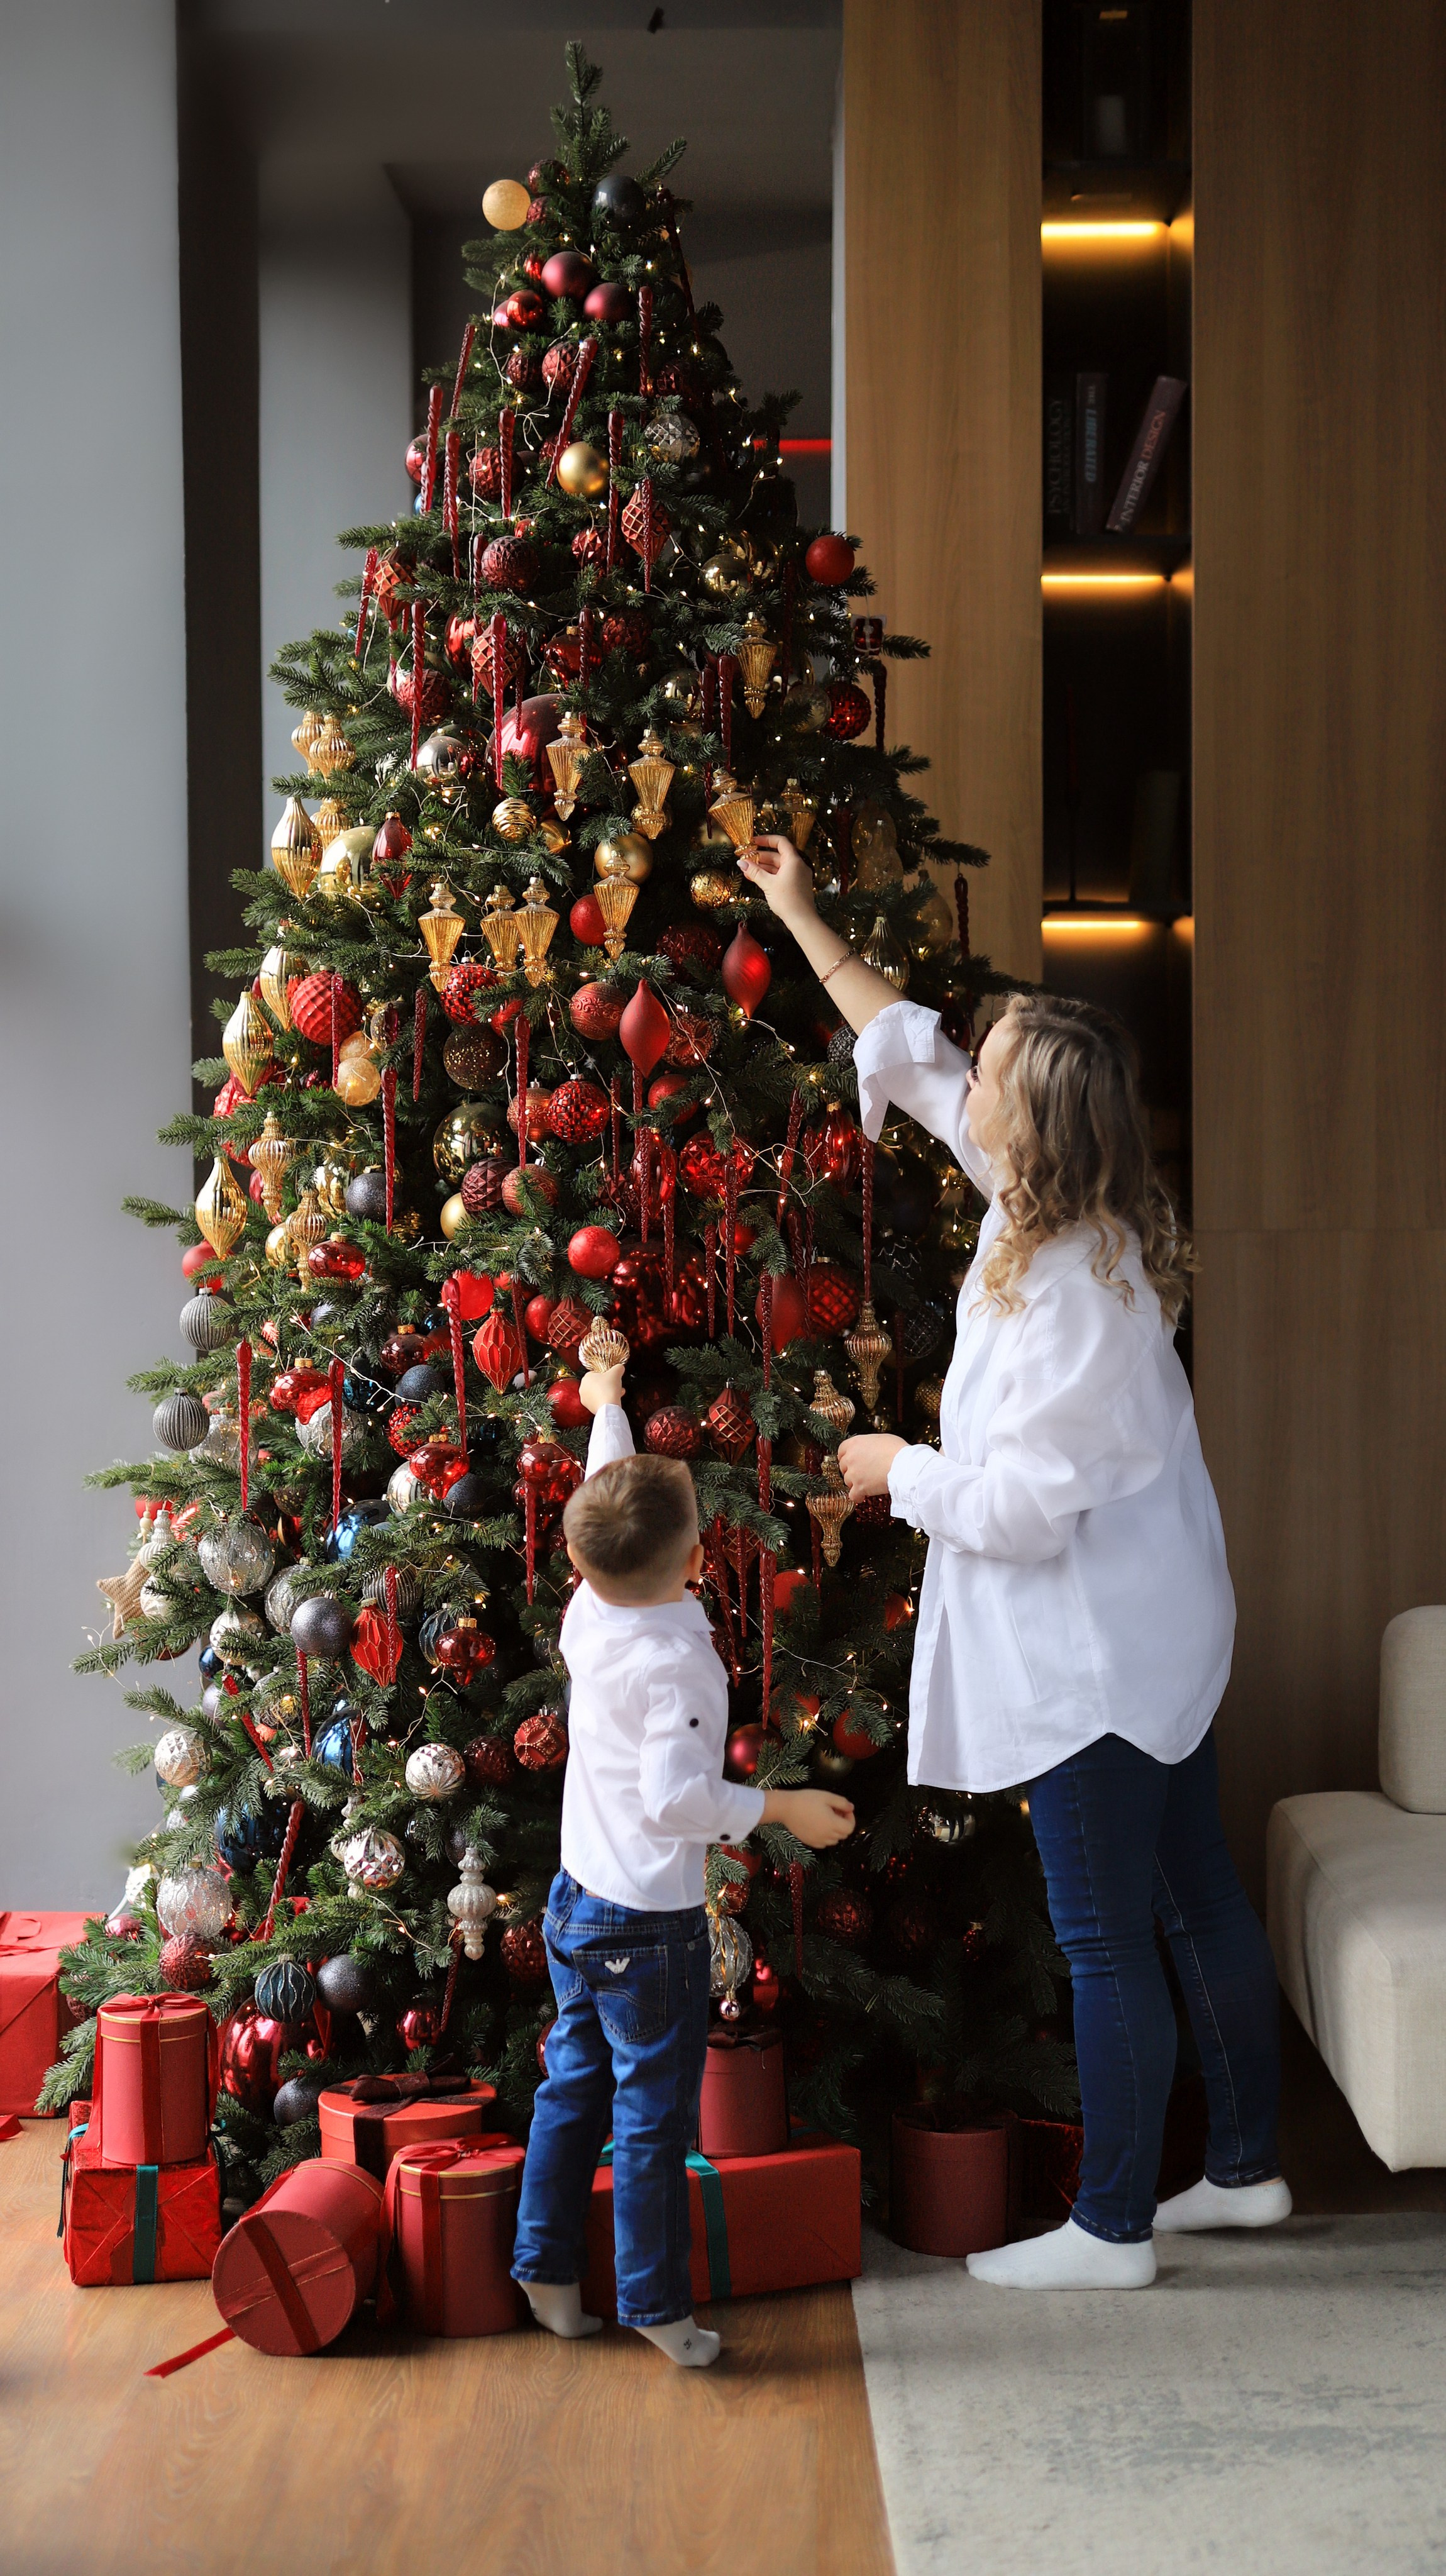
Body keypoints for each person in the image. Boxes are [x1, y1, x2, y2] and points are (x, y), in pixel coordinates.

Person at [737, 831, 1291, 2290]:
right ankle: (1243, 2173)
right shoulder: (1040, 1201)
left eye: (991, 1074)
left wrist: (891, 1469)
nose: (963, 1078)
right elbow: (904, 1047)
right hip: (1153, 1633)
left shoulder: (1081, 1307)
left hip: (1103, 1652)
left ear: (1032, 1129)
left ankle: (1112, 2226)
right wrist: (798, 904)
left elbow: (1024, 1507)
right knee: (1197, 1896)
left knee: (1110, 1932)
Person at [511, 1353, 855, 2362]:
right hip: (643, 1929)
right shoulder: (677, 1664)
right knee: (652, 2117)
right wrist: (782, 1802)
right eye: (701, 1529)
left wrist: (606, 1407)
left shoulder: (590, 1609)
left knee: (571, 2087)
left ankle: (545, 2267)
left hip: (575, 1904)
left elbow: (599, 1499)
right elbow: (675, 1802)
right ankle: (657, 2304)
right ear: (698, 1560)